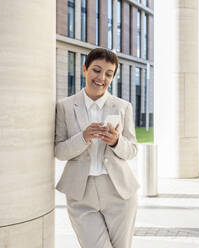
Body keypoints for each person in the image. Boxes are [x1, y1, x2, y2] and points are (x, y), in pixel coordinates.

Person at [55, 48, 139, 248]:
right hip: (80, 194)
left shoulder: (122, 106)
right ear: (85, 69)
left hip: (119, 192)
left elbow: (133, 150)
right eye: (96, 70)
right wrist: (83, 137)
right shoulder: (65, 106)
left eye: (109, 74)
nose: (101, 77)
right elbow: (59, 150)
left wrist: (116, 142)